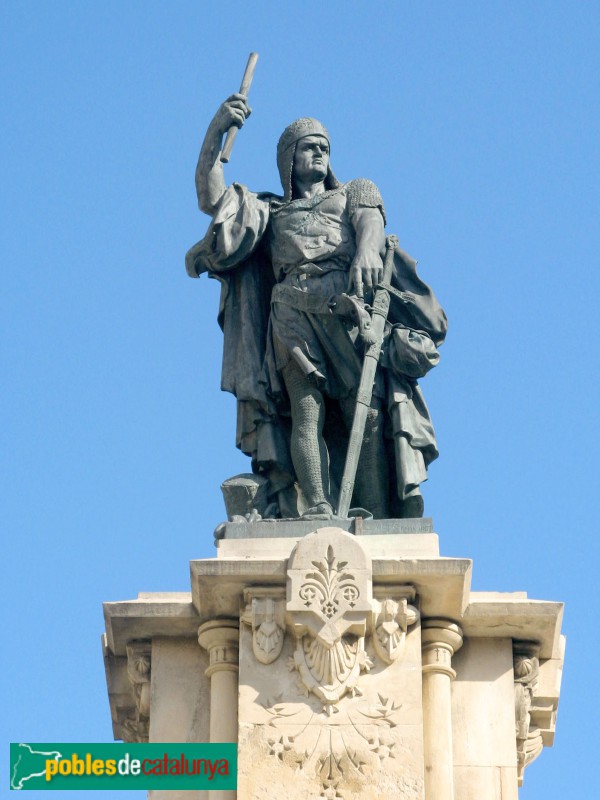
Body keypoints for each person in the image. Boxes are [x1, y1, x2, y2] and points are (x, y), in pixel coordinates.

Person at [186, 94, 447, 520]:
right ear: (290, 157)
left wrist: (365, 252)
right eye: (311, 146)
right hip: (290, 314)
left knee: (364, 410)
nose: (321, 153)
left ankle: (375, 512)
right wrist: (217, 129)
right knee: (306, 412)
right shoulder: (268, 211)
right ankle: (317, 507)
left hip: (344, 311)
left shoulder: (353, 192)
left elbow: (371, 223)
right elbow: (212, 197)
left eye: (325, 147)